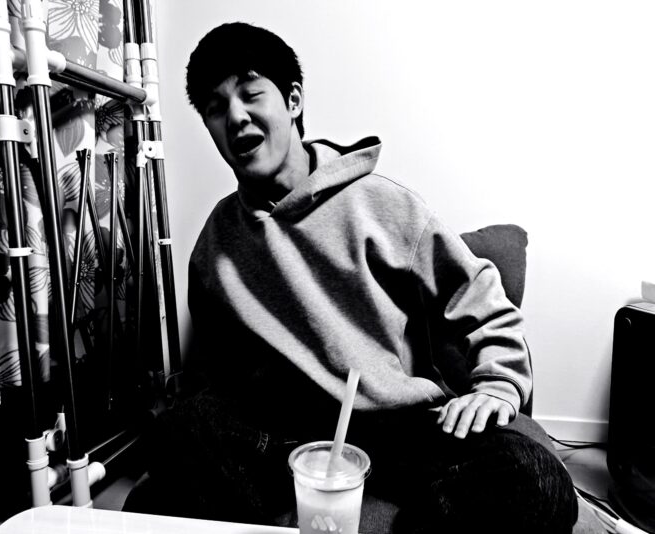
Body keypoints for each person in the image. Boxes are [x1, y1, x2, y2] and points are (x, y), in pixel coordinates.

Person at [126, 22, 578, 534]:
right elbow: (217, 376)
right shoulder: (215, 244)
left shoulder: (384, 205)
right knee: (176, 434)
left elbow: (478, 296)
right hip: (278, 441)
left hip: (396, 428)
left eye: (251, 94)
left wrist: (498, 383)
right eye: (215, 107)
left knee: (535, 477)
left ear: (293, 100)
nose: (235, 116)